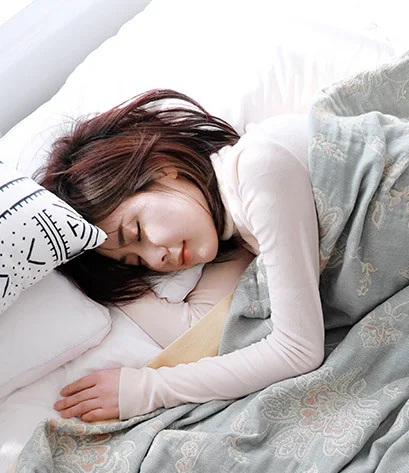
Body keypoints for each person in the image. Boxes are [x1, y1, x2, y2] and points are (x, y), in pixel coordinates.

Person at [39, 89, 324, 422]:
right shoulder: (234, 235)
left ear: (162, 169)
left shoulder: (258, 168)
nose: (154, 260)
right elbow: (197, 335)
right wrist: (111, 287)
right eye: (136, 261)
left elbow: (298, 350)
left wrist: (148, 389)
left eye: (136, 232)